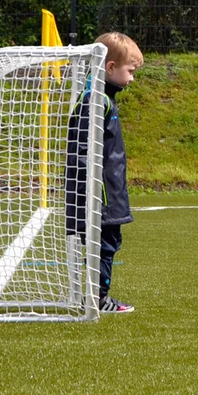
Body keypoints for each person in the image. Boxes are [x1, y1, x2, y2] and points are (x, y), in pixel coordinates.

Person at [66, 32, 143, 313]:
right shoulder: (95, 101)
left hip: (104, 192)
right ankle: (99, 298)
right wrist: (91, 192)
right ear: (110, 68)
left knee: (106, 242)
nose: (132, 78)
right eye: (130, 71)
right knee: (105, 243)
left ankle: (95, 294)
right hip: (101, 196)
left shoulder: (101, 99)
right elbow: (83, 150)